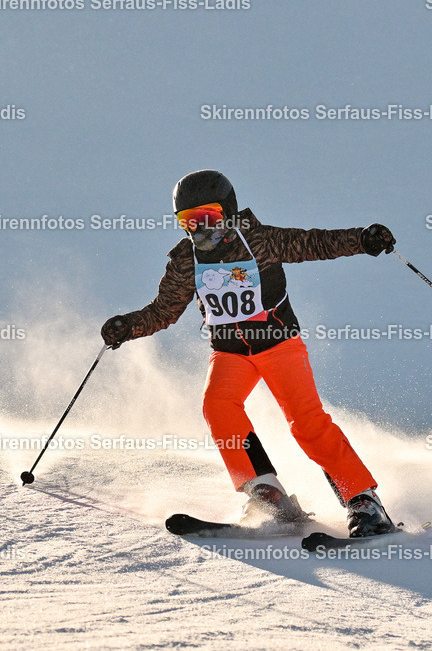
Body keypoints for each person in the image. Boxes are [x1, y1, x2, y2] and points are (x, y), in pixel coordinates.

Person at [101, 170, 398, 537]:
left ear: (227, 211)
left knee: (306, 421)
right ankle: (266, 494)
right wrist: (128, 326)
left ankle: (364, 502)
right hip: (229, 352)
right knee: (217, 406)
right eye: (188, 221)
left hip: (278, 343)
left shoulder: (260, 240)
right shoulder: (186, 259)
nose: (199, 228)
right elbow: (164, 310)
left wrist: (362, 240)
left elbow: (316, 243)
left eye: (207, 216)